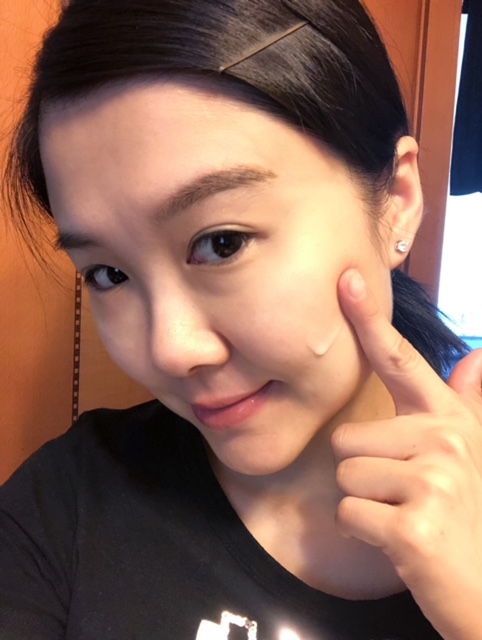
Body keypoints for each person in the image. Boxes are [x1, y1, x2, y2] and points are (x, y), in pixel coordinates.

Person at [1, 0, 482, 638]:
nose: (170, 350)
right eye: (109, 274)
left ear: (397, 200)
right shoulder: (62, 510)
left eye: (222, 242)